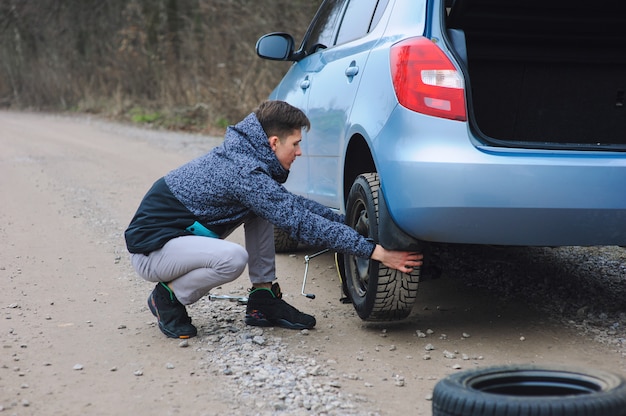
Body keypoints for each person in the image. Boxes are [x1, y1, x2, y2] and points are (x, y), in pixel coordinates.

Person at [124, 100, 423, 339]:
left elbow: (289, 204)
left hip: (177, 240)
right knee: (232, 259)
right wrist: (375, 251)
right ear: (274, 142)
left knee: (266, 207)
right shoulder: (244, 172)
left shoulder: (248, 161)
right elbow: (298, 222)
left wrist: (348, 221)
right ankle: (167, 297)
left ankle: (263, 298)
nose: (300, 151)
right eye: (295, 144)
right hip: (152, 250)